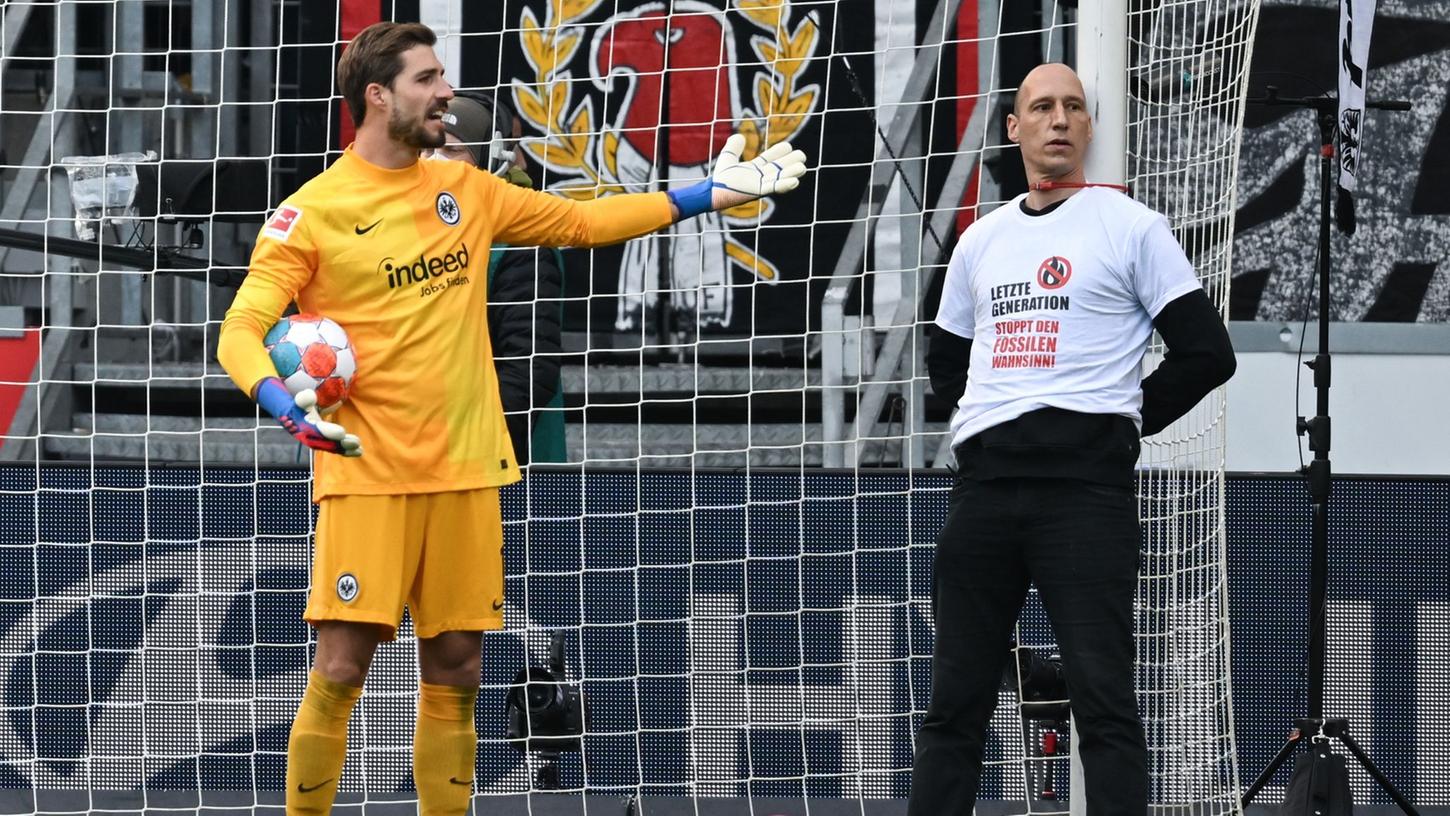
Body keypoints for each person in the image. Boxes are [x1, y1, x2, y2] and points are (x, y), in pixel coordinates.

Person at [215, 21, 806, 816]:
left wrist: (708, 193)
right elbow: (240, 331)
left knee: (458, 670)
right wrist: (289, 410)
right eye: (427, 79)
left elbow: (584, 223)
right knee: (342, 666)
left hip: (467, 472)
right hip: (368, 473)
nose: (446, 92)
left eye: (442, 77)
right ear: (378, 95)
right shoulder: (311, 213)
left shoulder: (469, 191)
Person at [911, 62, 1236, 816]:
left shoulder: (1131, 226)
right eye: (1041, 107)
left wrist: (1117, 420)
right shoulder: (979, 241)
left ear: (1089, 128)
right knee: (954, 708)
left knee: (1106, 705)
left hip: (1086, 496)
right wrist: (1002, 416)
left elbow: (1208, 353)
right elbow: (945, 366)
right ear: (1015, 129)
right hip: (984, 492)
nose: (1058, 119)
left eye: (1074, 107)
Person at [427, 91, 566, 465]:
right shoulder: (409, 232)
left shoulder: (522, 245)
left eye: (452, 151)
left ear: (490, 163)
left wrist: (461, 448)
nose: (435, 161)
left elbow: (528, 375)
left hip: (498, 462)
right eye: (428, 149)